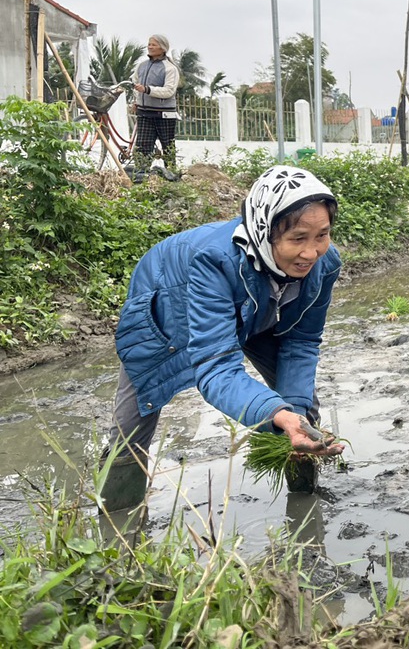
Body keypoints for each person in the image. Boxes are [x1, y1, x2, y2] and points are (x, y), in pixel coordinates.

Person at [100, 165, 345, 511]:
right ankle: (115, 529)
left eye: (322, 234)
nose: (311, 252)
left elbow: (301, 342)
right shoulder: (212, 261)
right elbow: (215, 367)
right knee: (132, 426)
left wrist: (291, 414)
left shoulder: (324, 263)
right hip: (169, 309)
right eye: (298, 239)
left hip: (257, 307)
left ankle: (303, 503)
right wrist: (275, 412)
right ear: (264, 232)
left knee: (301, 410)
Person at [130, 34, 182, 182]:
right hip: (145, 113)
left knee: (168, 148)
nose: (150, 47)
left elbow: (169, 91)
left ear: (163, 48)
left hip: (164, 114)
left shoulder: (170, 69)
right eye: (149, 44)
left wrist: (147, 90)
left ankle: (171, 179)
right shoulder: (142, 66)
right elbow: (135, 84)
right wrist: (137, 99)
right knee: (143, 147)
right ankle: (140, 180)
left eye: (153, 45)